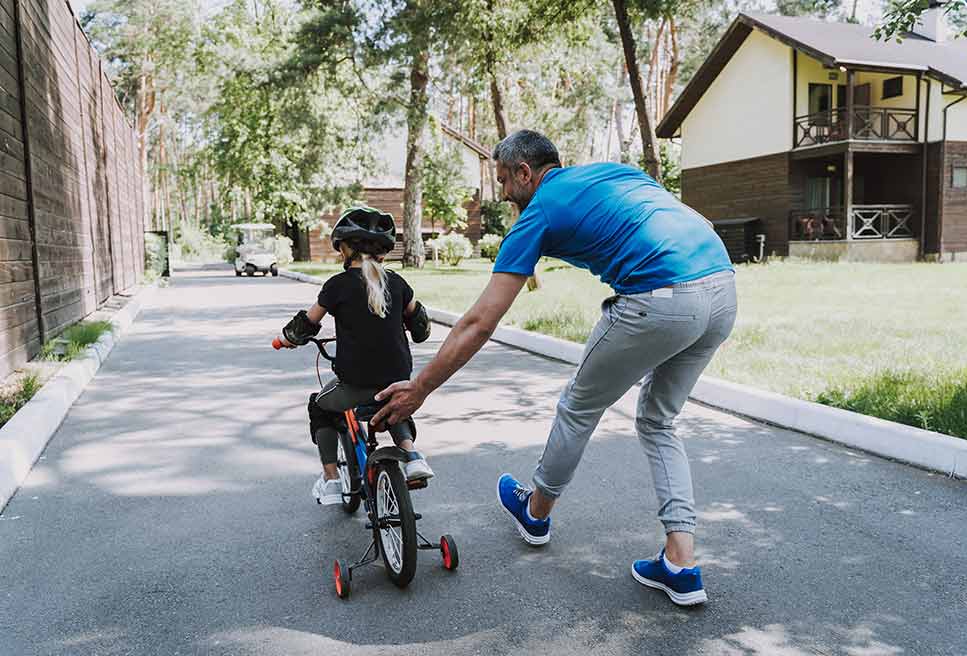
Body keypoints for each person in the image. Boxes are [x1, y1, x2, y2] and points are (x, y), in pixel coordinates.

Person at [372, 130, 737, 606]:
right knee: (658, 419)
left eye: (504, 180)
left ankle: (536, 512)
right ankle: (681, 564)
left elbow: (480, 322)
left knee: (579, 407)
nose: (503, 193)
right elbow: (687, 219)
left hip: (660, 297)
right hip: (722, 287)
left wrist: (420, 386)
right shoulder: (614, 171)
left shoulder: (538, 212)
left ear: (526, 174)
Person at [279, 206, 435, 506]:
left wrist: (285, 338)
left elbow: (307, 325)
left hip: (355, 382)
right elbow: (421, 327)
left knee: (320, 408)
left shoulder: (336, 286)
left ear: (346, 250)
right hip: (397, 377)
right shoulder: (398, 283)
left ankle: (332, 481)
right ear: (382, 253)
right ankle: (413, 455)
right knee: (394, 400)